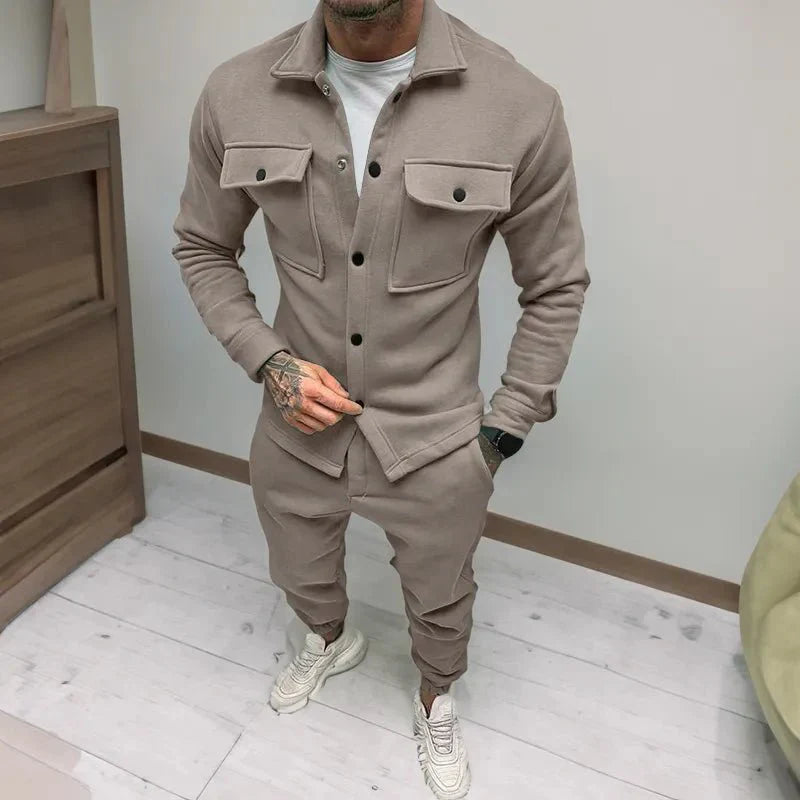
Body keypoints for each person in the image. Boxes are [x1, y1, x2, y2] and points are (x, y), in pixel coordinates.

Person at [172, 0, 589, 796]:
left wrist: (502, 432)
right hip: (295, 428)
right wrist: (270, 363)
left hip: (437, 439)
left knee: (442, 596)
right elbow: (202, 245)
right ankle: (328, 640)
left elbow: (555, 285)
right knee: (298, 567)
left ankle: (437, 697)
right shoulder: (235, 93)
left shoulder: (519, 105)